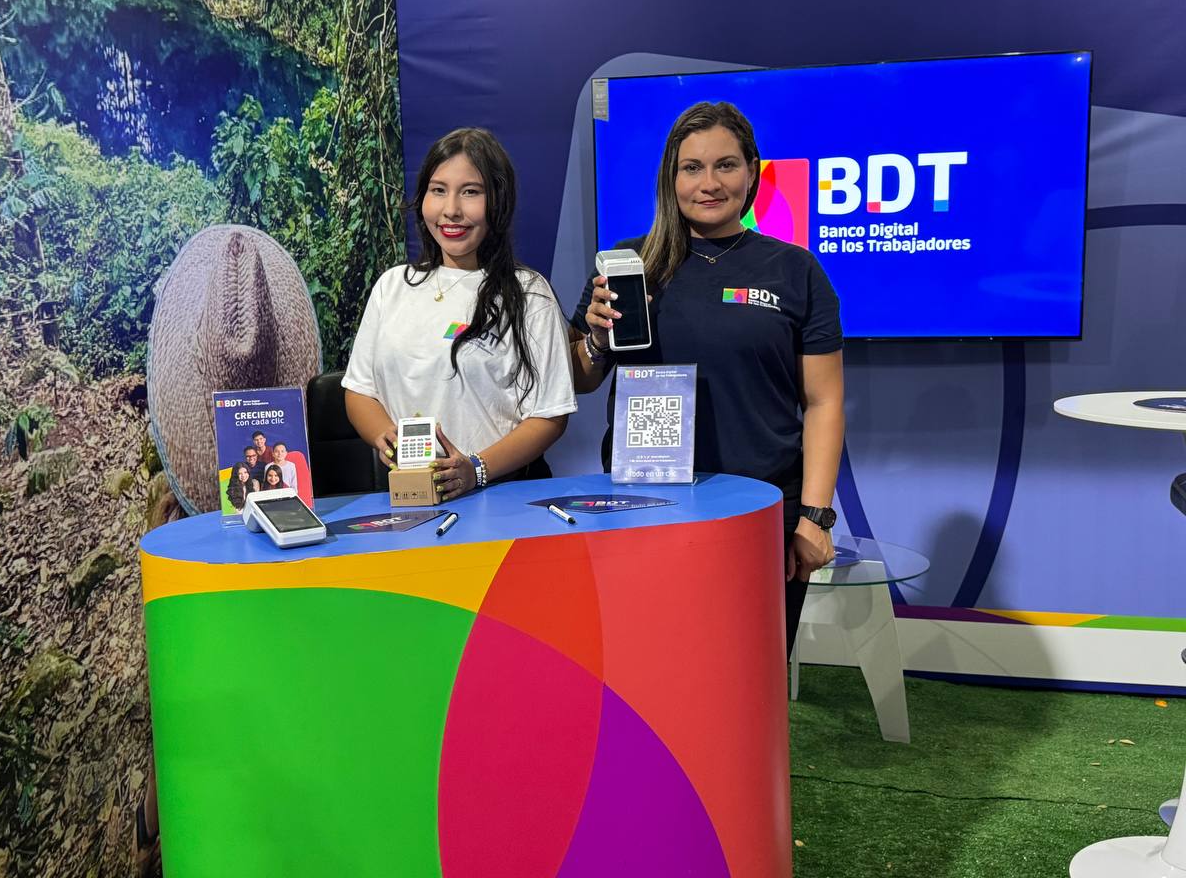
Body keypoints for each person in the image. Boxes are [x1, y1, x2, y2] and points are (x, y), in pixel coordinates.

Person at [571, 101, 845, 657]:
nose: (709, 183)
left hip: (761, 510)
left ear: (752, 172)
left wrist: (815, 517)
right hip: (645, 506)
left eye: (726, 165)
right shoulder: (630, 262)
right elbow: (580, 379)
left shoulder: (795, 270)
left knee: (748, 673)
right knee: (647, 669)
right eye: (692, 167)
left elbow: (824, 402)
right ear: (670, 177)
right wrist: (597, 339)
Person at [343, 127, 576, 500]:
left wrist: (476, 469)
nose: (451, 209)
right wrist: (384, 436)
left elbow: (550, 414)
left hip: (502, 498)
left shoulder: (529, 293)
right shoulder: (392, 286)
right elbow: (359, 390)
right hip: (411, 499)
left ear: (498, 201)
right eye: (438, 190)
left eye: (470, 192)